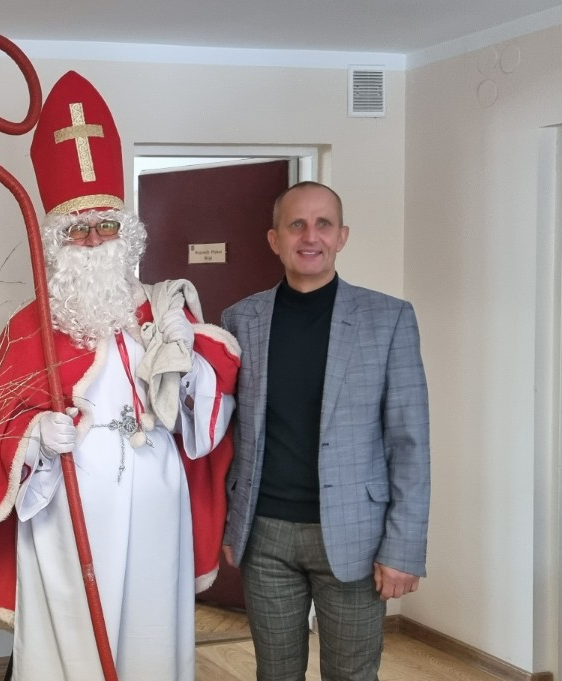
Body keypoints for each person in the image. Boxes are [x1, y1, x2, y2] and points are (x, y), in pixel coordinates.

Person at [0, 71, 240, 681]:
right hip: (66, 502)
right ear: (56, 242)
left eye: (105, 225)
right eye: (76, 229)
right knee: (75, 633)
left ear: (125, 234)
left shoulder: (162, 311)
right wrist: (34, 434)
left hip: (157, 495)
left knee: (150, 628)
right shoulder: (28, 327)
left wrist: (186, 362)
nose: (91, 239)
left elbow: (208, 415)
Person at [220, 181, 431, 681]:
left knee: (352, 675)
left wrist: (403, 548)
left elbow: (410, 443)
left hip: (357, 535)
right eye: (296, 224)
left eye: (323, 224)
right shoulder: (239, 319)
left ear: (342, 236)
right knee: (275, 674)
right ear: (275, 239)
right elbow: (226, 432)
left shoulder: (389, 318)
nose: (310, 236)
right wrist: (229, 524)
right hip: (264, 534)